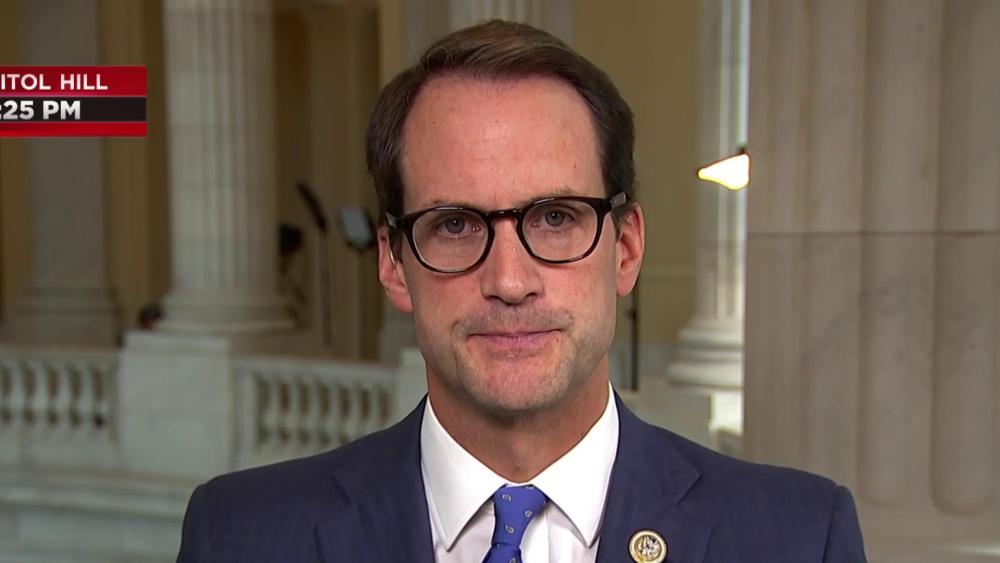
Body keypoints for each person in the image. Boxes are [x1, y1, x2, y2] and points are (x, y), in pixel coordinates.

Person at [176, 20, 867, 563]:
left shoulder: (800, 538)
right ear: (393, 263)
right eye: (454, 225)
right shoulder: (239, 536)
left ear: (625, 248)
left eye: (556, 218)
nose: (509, 281)